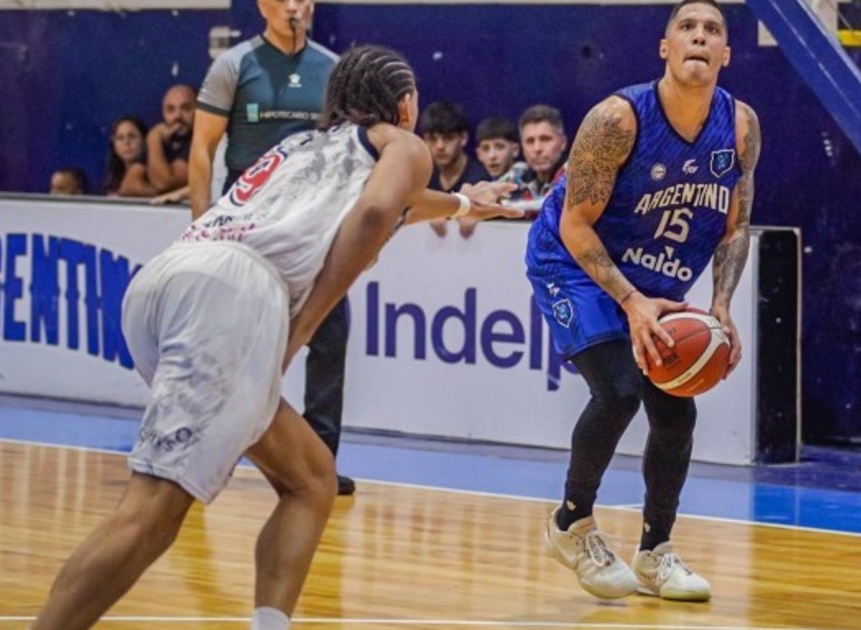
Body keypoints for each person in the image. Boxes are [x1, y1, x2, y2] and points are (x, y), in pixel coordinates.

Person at [29, 45, 518, 630]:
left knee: (311, 480)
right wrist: (304, 325)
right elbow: (374, 214)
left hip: (167, 280)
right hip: (231, 296)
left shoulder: (303, 145)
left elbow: (387, 205)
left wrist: (464, 204)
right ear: (407, 104)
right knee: (153, 507)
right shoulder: (406, 146)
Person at [525, 0, 759, 602]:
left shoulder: (739, 127)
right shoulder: (618, 119)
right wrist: (630, 302)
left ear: (727, 54)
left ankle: (655, 552)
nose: (699, 37)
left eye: (712, 30)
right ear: (665, 47)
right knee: (620, 390)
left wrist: (722, 305)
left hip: (656, 274)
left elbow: (734, 226)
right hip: (573, 262)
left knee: (677, 410)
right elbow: (576, 224)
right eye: (687, 27)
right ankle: (571, 523)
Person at [188, 0, 359, 494]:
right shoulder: (234, 65)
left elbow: (348, 152)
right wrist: (202, 229)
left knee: (330, 333)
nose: (293, 6)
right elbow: (201, 150)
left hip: (313, 217)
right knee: (231, 340)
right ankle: (203, 449)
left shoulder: (332, 69)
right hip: (249, 220)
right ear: (262, 4)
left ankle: (320, 463)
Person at [419, 100, 489, 238]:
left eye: (448, 138)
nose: (440, 146)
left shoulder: (481, 180)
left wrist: (480, 217)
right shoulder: (422, 179)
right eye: (432, 139)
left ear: (463, 138)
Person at [147, 84, 196, 195]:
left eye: (186, 108)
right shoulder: (162, 140)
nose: (178, 116)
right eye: (170, 110)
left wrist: (153, 138)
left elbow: (164, 183)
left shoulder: (200, 141)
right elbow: (129, 184)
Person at [104, 116, 157, 197]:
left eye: (132, 136)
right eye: (120, 138)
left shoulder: (154, 175)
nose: (126, 142)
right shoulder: (111, 179)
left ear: (144, 140)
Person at [474, 116, 521, 180]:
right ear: (479, 155)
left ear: (515, 150)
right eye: (485, 149)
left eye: (499, 147)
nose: (492, 156)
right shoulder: (478, 181)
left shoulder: (526, 180)